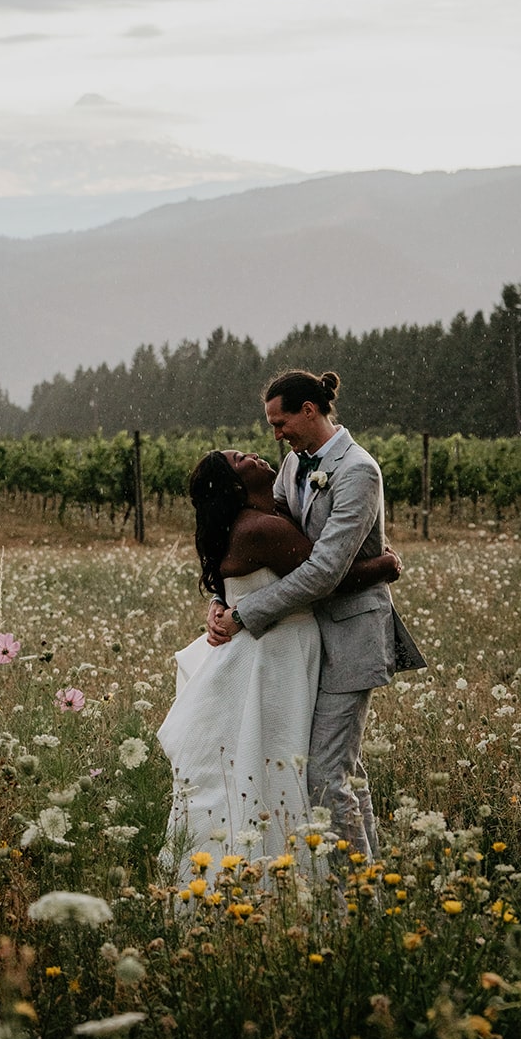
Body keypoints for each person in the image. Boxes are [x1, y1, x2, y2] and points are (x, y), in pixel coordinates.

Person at [208, 369, 425, 860]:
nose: (276, 434)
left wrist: (246, 614)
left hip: (352, 638)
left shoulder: (358, 471)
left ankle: (357, 894)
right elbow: (274, 544)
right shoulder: (292, 465)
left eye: (280, 422)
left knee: (326, 774)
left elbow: (325, 570)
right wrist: (221, 601)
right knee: (344, 769)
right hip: (306, 644)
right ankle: (372, 879)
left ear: (310, 410)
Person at [157, 446, 399, 879]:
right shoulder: (262, 529)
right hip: (276, 656)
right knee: (286, 762)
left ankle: (316, 869)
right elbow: (328, 578)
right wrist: (383, 564)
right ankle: (311, 874)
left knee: (281, 763)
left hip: (267, 650)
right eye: (240, 459)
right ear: (235, 484)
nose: (254, 454)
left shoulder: (249, 521)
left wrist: (220, 604)